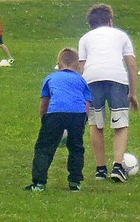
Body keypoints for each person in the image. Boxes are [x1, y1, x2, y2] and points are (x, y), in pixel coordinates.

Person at [78, 4, 139, 183]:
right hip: (117, 78)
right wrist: (133, 93)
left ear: (91, 24)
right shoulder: (121, 35)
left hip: (91, 79)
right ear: (110, 21)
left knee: (96, 124)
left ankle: (100, 169)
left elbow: (81, 67)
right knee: (120, 124)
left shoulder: (85, 38)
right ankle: (118, 167)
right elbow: (132, 65)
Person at [24, 48, 92, 192]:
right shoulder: (82, 80)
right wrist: (83, 122)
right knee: (76, 148)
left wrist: (44, 119)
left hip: (56, 113)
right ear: (78, 65)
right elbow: (87, 104)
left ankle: (39, 183)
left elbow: (45, 102)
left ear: (58, 64)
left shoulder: (51, 78)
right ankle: (75, 182)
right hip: (78, 114)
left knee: (44, 148)